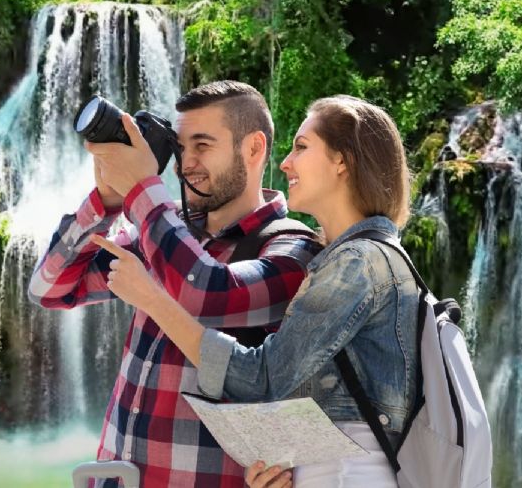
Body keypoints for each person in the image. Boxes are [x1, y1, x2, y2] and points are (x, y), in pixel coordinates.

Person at [92, 95, 418, 487]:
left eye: (301, 147)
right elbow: (308, 396)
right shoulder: (345, 259)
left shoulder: (358, 263)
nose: (284, 162)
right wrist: (277, 466)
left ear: (342, 161)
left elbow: (261, 377)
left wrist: (152, 297)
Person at [28, 81, 322, 487]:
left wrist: (142, 190)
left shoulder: (292, 249)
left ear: (254, 149)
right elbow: (50, 288)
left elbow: (203, 293)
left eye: (203, 145)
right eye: (181, 148)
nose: (186, 164)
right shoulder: (163, 234)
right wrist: (105, 202)